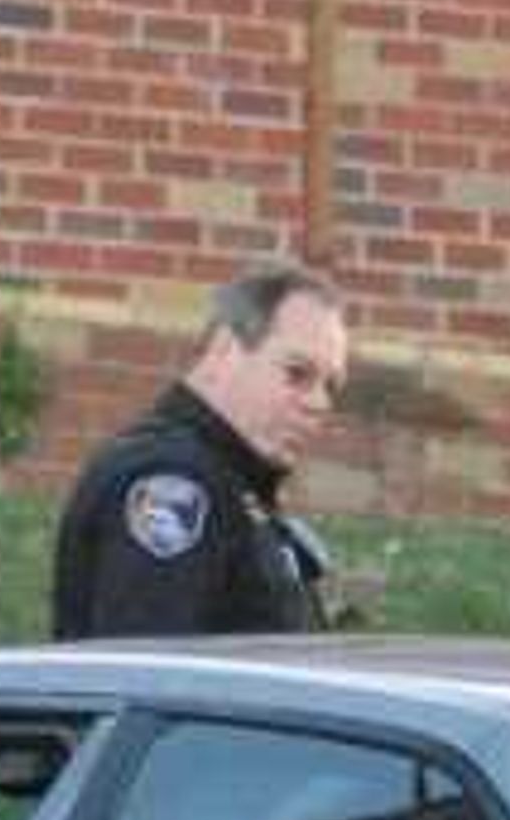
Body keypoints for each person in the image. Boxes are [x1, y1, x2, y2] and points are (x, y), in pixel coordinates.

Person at [49, 261, 346, 639]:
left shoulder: (234, 484)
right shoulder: (172, 482)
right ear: (225, 349)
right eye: (297, 374)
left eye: (331, 387)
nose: (318, 404)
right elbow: (149, 674)